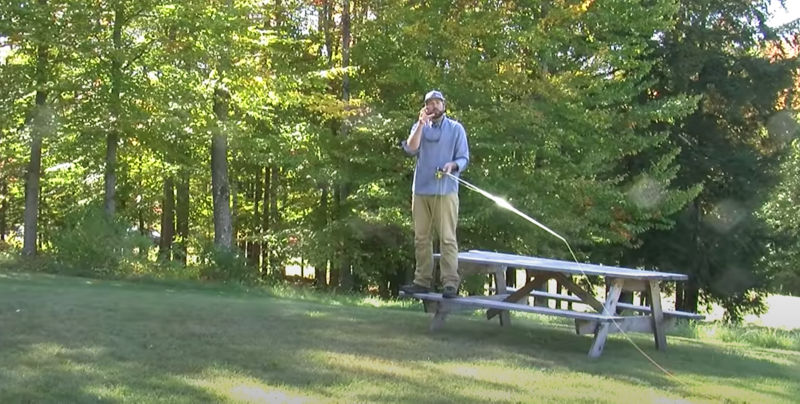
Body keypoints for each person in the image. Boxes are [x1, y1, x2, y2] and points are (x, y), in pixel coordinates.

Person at [399, 90, 469, 298]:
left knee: (447, 238)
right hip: (420, 191)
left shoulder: (456, 129)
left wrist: (453, 165)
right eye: (431, 103)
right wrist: (420, 124)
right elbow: (411, 148)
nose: (435, 106)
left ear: (444, 105)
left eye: (438, 102)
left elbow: (464, 158)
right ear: (425, 107)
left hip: (446, 192)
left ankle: (450, 283)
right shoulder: (419, 127)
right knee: (421, 238)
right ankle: (422, 281)